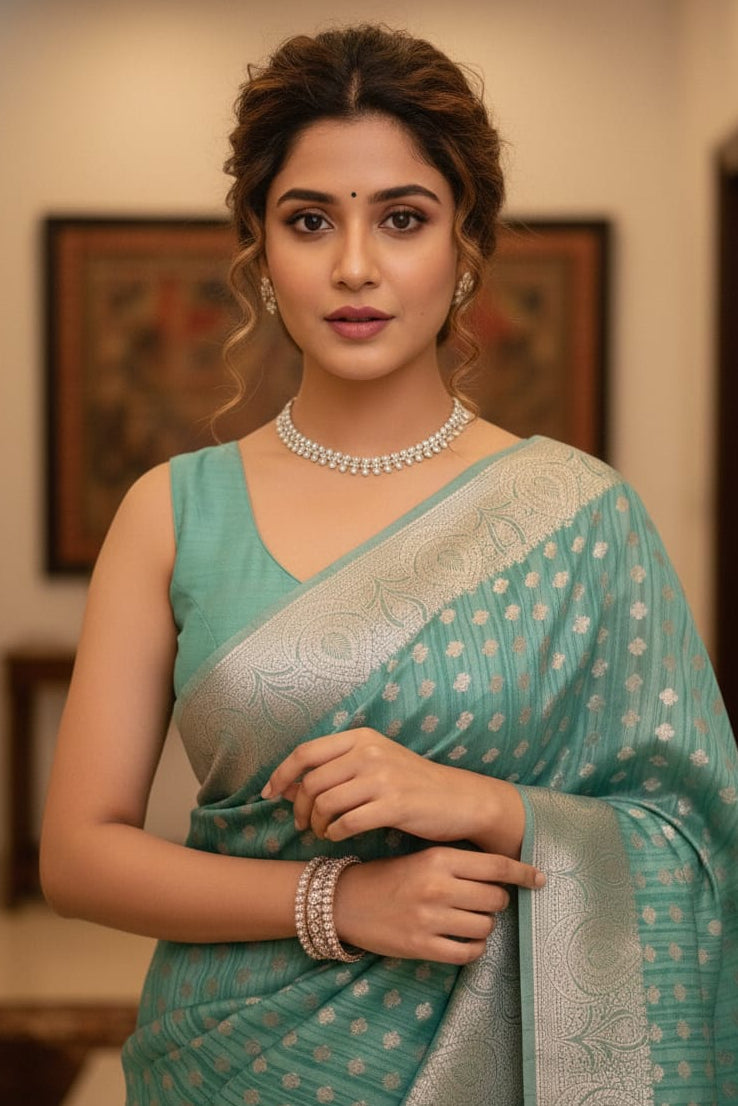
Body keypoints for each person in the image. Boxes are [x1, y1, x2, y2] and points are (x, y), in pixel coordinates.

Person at [40, 23, 738, 1106]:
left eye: (403, 219)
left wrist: (479, 801)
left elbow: (694, 842)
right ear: (260, 250)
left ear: (465, 245)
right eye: (309, 220)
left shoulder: (583, 516)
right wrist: (339, 897)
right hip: (230, 1062)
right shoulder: (173, 511)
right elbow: (78, 856)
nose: (355, 266)